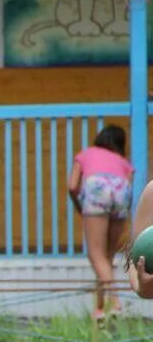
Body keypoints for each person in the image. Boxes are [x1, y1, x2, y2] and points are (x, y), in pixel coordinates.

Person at [68, 124, 133, 319]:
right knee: (106, 258)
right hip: (121, 192)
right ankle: (99, 308)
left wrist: (81, 207)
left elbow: (72, 186)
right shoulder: (124, 162)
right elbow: (129, 184)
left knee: (96, 255)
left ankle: (115, 303)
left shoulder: (86, 154)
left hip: (98, 190)